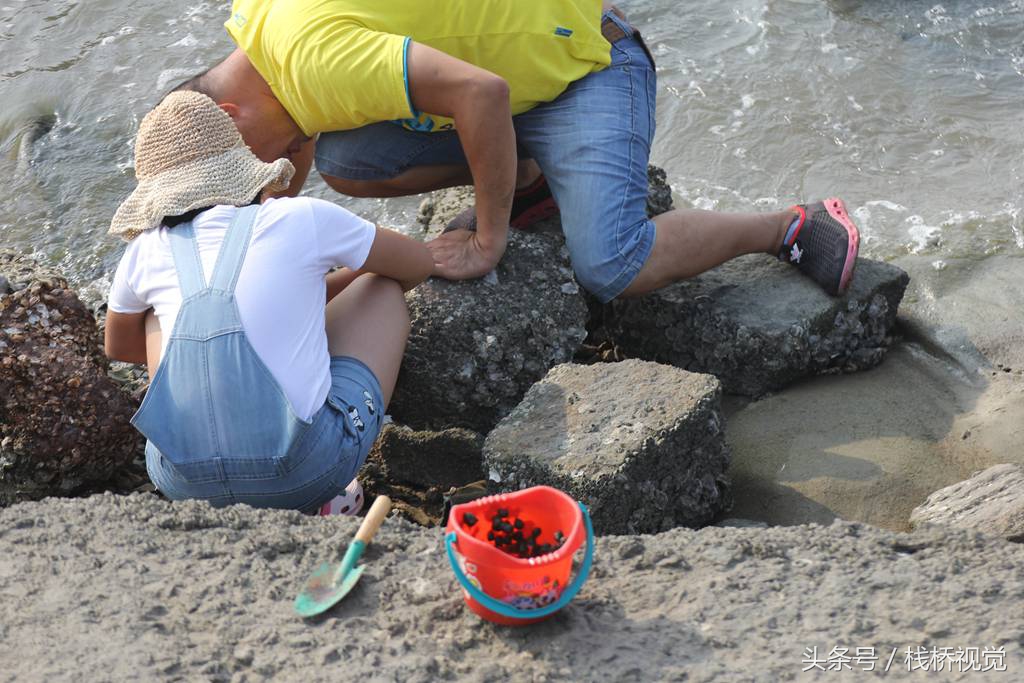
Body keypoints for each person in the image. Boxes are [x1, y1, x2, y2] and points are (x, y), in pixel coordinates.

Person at [171, 0, 859, 305]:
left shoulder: (315, 60)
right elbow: (304, 136)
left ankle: (788, 226)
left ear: (229, 113)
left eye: (242, 172)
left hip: (586, 67)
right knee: (347, 162)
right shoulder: (260, 28)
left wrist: (488, 237)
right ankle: (527, 176)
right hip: (508, 83)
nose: (256, 187)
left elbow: (482, 96)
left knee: (612, 264)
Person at [104, 91, 433, 515]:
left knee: (154, 314)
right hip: (305, 473)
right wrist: (338, 278)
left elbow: (118, 347)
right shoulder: (298, 218)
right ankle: (327, 500)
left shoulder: (143, 253)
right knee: (384, 288)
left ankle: (206, 449)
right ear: (240, 167)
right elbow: (416, 264)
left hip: (179, 481)